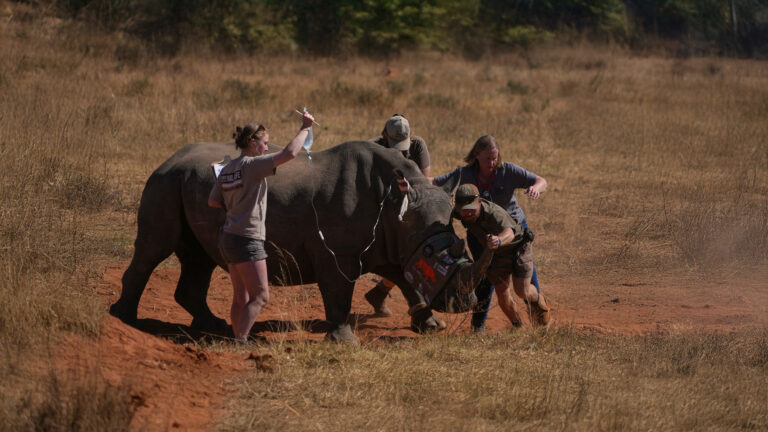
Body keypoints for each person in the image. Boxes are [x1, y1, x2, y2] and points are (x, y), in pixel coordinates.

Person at [208, 111, 315, 343]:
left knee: (240, 297)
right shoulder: (252, 166)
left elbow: (213, 201)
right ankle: (241, 341)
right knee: (261, 296)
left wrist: (236, 207)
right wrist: (305, 127)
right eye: (265, 143)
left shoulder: (227, 168)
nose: (266, 148)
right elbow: (290, 153)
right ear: (253, 143)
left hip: (227, 237)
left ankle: (237, 337)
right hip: (247, 239)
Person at [433, 135, 549, 331]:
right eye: (488, 159)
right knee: (490, 283)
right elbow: (435, 182)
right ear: (476, 155)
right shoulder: (464, 175)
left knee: (524, 287)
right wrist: (410, 181)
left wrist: (536, 188)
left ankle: (540, 317)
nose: (492, 163)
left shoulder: (507, 171)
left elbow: (540, 180)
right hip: (480, 234)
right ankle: (505, 326)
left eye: (495, 158)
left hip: (514, 235)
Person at [362, 114, 442, 331]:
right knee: (404, 259)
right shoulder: (372, 148)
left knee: (411, 257)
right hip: (382, 210)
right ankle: (417, 307)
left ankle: (379, 293)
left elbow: (424, 182)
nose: (400, 149)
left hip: (411, 206)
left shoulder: (417, 146)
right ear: (384, 135)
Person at [451, 183, 550, 328]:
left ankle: (539, 305)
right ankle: (517, 326)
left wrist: (498, 240)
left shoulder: (493, 213)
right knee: (501, 292)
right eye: (464, 210)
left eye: (471, 209)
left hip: (517, 247)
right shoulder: (460, 212)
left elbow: (509, 233)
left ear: (479, 202)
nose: (468, 213)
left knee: (522, 290)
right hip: (497, 253)